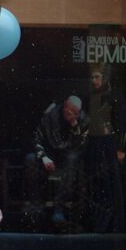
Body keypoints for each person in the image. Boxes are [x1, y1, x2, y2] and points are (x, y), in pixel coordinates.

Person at [85, 66, 126, 232]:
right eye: (92, 77)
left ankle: (117, 223)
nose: (93, 81)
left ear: (104, 78)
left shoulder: (115, 97)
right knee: (101, 185)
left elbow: (122, 124)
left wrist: (120, 148)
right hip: (98, 146)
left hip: (112, 147)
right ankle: (103, 223)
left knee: (114, 185)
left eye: (97, 77)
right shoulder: (93, 97)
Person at [24, 95, 89, 232]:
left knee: (73, 159)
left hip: (67, 160)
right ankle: (37, 205)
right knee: (30, 158)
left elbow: (81, 148)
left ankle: (59, 207)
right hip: (50, 156)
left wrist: (75, 127)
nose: (72, 115)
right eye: (70, 111)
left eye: (75, 113)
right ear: (65, 106)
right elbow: (36, 138)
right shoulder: (51, 115)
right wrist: (44, 157)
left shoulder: (82, 119)